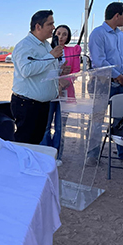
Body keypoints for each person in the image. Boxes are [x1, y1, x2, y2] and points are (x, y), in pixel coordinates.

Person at [10, 10, 64, 144]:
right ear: (38, 26)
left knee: (36, 142)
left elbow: (43, 68)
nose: (53, 28)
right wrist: (51, 56)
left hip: (42, 105)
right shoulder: (25, 46)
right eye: (50, 24)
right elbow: (26, 70)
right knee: (25, 144)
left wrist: (60, 69)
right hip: (27, 105)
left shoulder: (46, 44)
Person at [89, 1, 123, 163]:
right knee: (97, 120)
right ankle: (92, 156)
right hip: (102, 84)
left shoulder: (121, 35)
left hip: (121, 85)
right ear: (117, 16)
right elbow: (99, 61)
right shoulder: (98, 34)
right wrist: (116, 75)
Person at [40, 25, 81, 164]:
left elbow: (75, 71)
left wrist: (65, 80)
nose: (61, 37)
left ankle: (58, 155)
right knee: (45, 126)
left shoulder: (73, 51)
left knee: (60, 127)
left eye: (64, 34)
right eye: (58, 33)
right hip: (49, 94)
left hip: (65, 93)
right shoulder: (47, 51)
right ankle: (46, 153)